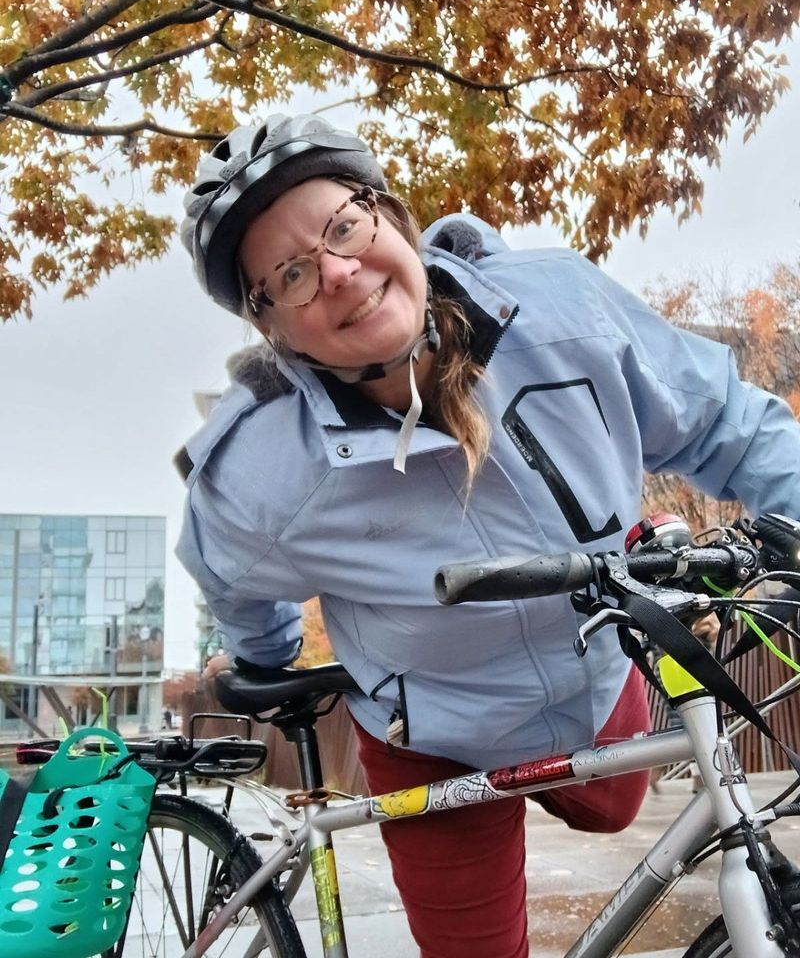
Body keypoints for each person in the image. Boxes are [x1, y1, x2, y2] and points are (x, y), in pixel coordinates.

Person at [175, 113, 800, 958]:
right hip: (432, 735)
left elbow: (727, 421)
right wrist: (268, 661)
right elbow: (228, 574)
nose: (337, 272)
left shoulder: (562, 308)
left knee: (613, 804)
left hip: (591, 669)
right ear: (273, 328)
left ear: (389, 215)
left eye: (343, 227)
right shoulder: (259, 468)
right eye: (291, 274)